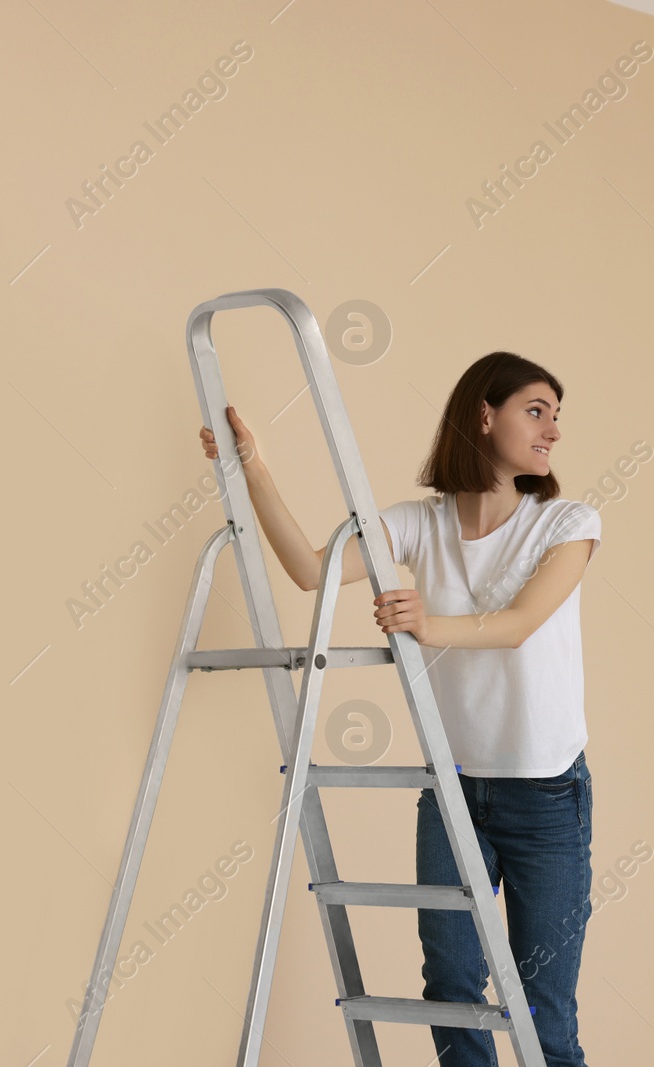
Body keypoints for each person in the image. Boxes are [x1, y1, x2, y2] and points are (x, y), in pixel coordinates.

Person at [199, 351, 601, 1066]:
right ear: (486, 414)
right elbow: (310, 569)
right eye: (537, 410)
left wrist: (425, 623)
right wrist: (250, 469)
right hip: (450, 789)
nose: (553, 432)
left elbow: (517, 625)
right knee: (449, 984)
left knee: (544, 1009)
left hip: (546, 795)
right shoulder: (421, 524)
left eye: (556, 416)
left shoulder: (568, 522)